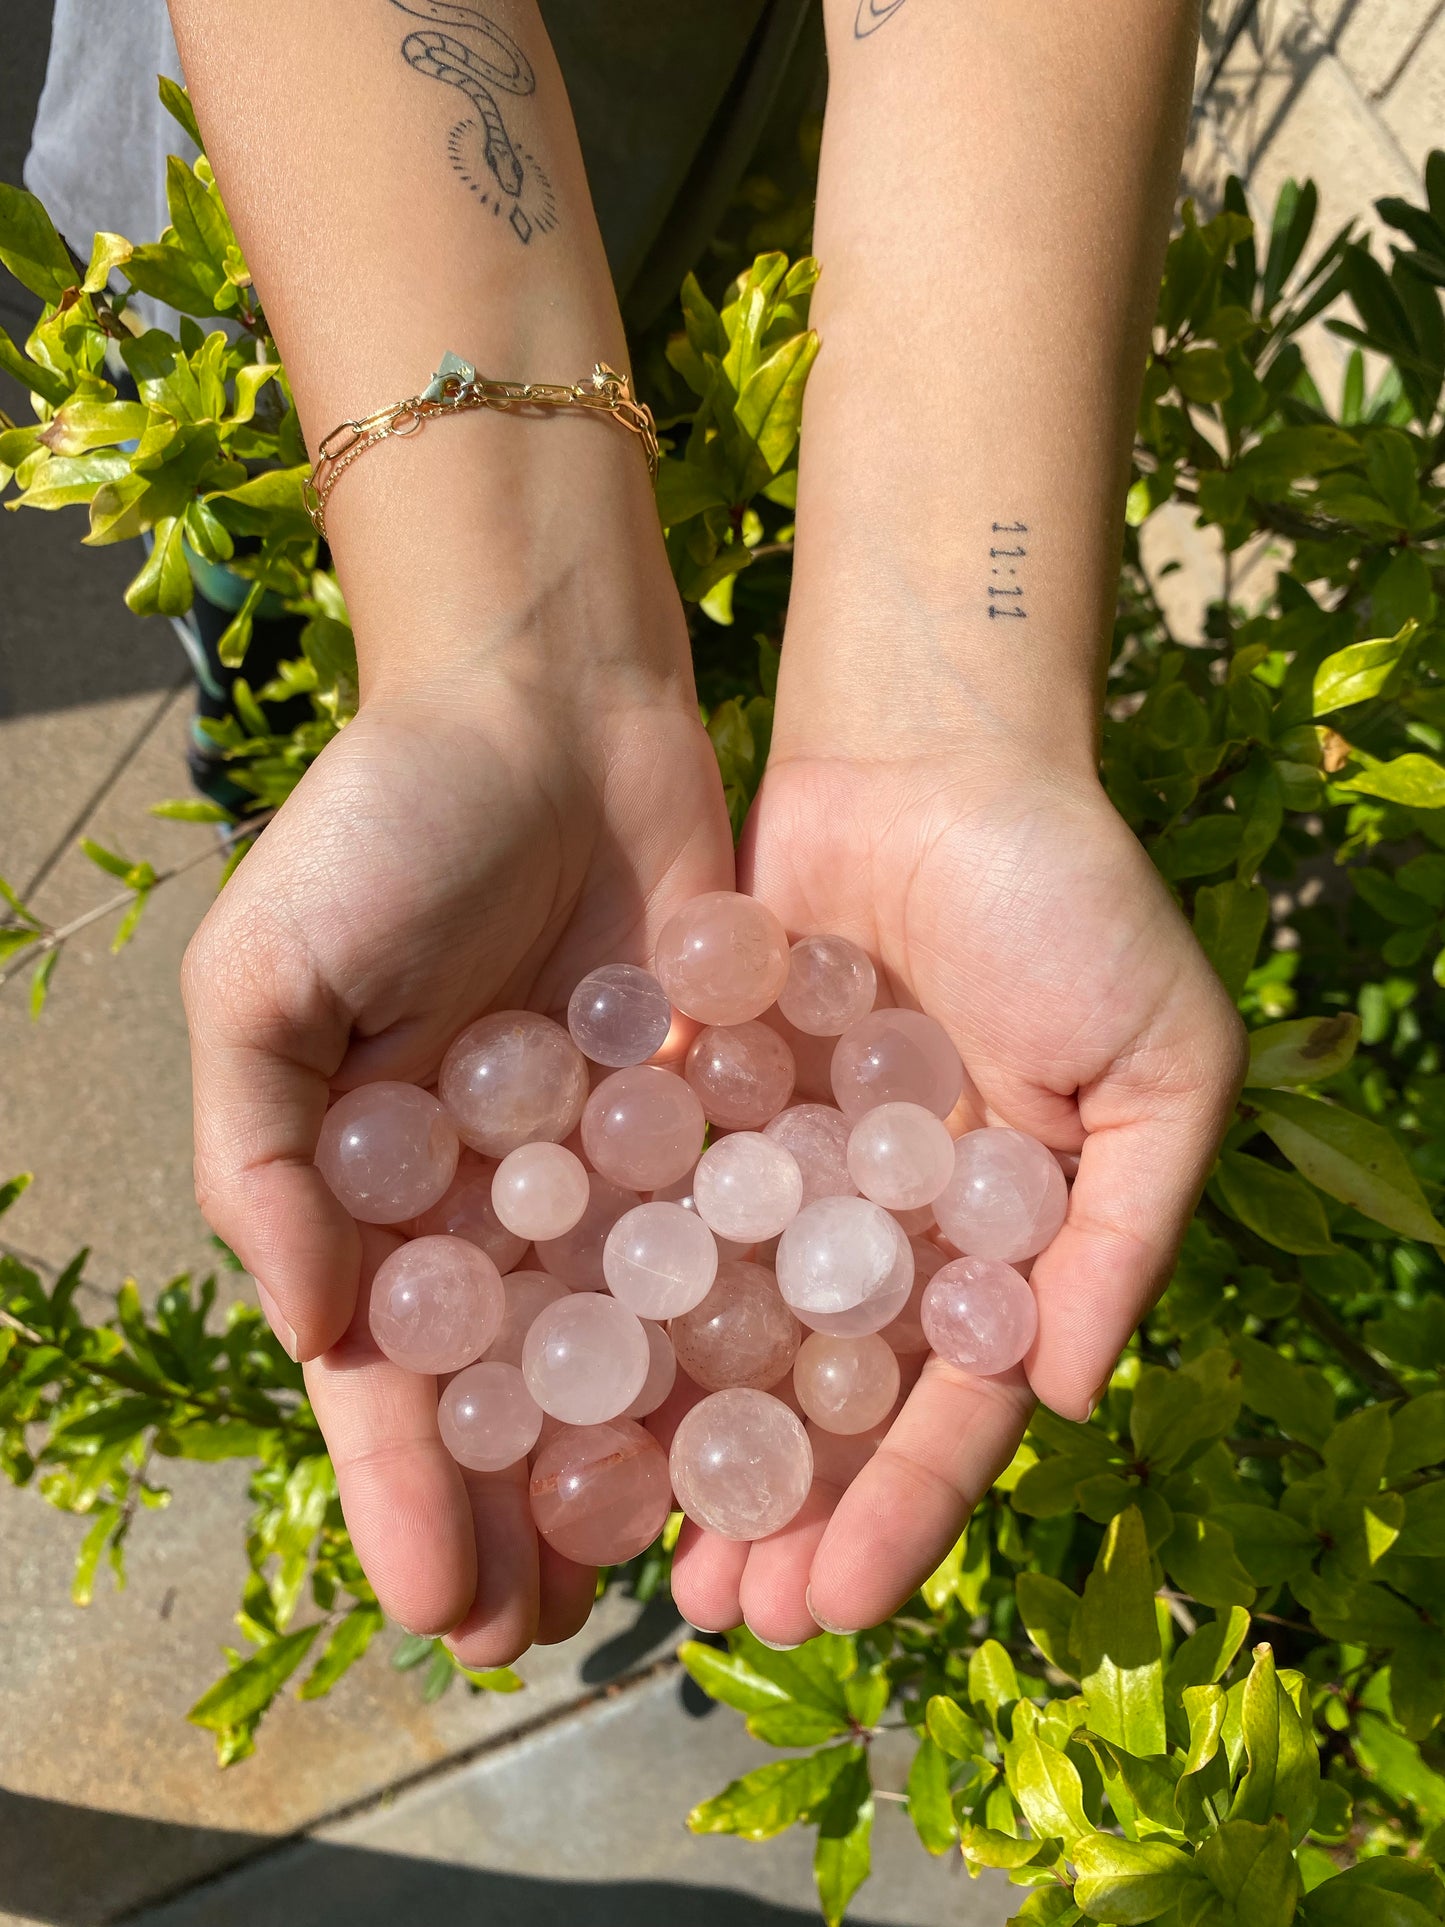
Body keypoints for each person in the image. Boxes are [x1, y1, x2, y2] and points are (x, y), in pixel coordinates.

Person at [54, 0, 1247, 1661]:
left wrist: (945, 695)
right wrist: (485, 651)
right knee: (258, 642)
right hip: (295, 259)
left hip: (767, 145)